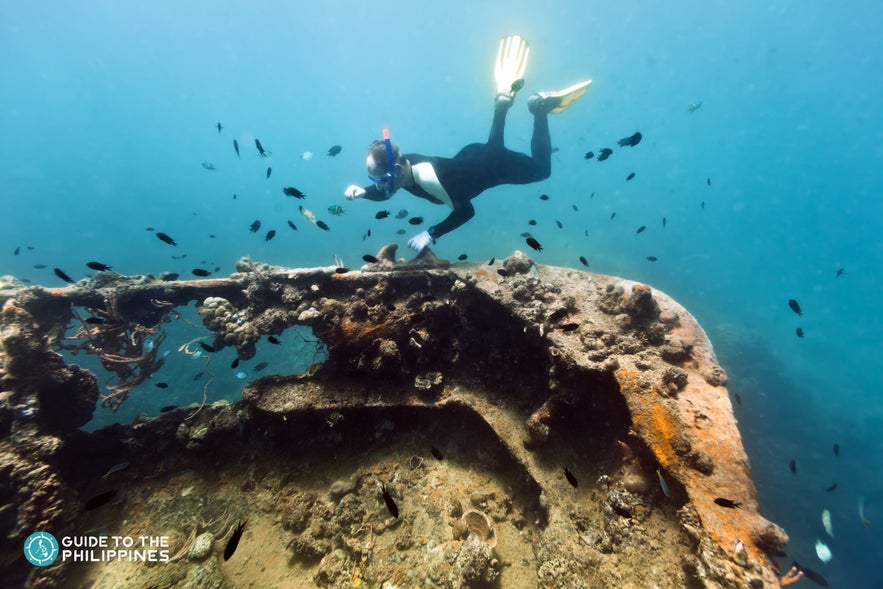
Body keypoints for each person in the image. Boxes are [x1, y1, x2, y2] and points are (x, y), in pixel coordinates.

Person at [344, 35, 590, 252]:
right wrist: (364, 192)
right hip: (472, 159)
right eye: (377, 181)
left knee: (541, 172)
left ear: (397, 170)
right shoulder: (402, 169)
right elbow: (385, 194)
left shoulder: (427, 179)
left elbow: (466, 211)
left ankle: (539, 109)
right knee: (493, 148)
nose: (382, 187)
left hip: (491, 166)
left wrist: (432, 233)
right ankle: (502, 105)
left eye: (382, 180)